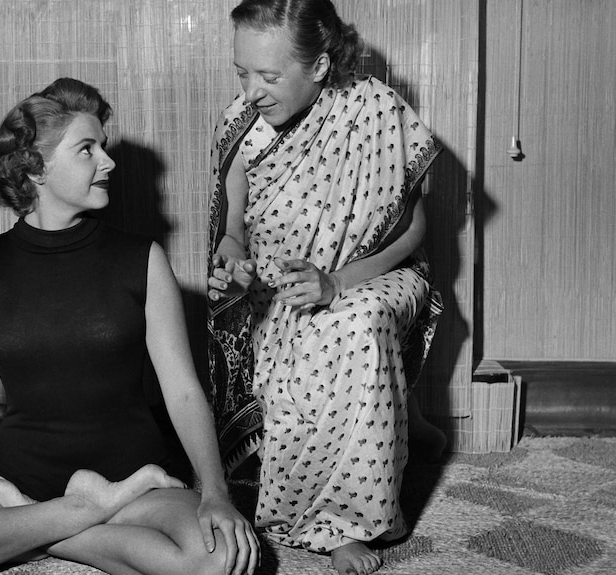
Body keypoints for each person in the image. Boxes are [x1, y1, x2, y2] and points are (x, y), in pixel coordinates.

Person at [0, 77, 260, 575]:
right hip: (15, 482)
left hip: (137, 482)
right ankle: (83, 511)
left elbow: (185, 392)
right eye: (87, 149)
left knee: (219, 561)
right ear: (35, 169)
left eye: (102, 147)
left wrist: (215, 493)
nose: (107, 162)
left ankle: (47, 526)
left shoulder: (142, 260)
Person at [206, 1, 445, 574]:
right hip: (283, 282)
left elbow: (413, 230)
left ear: (318, 66)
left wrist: (337, 283)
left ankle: (343, 522)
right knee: (298, 330)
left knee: (351, 323)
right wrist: (233, 258)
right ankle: (402, 424)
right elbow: (232, 228)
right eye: (242, 71)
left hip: (376, 273)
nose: (253, 89)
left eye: (268, 75)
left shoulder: (376, 111)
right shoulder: (242, 122)